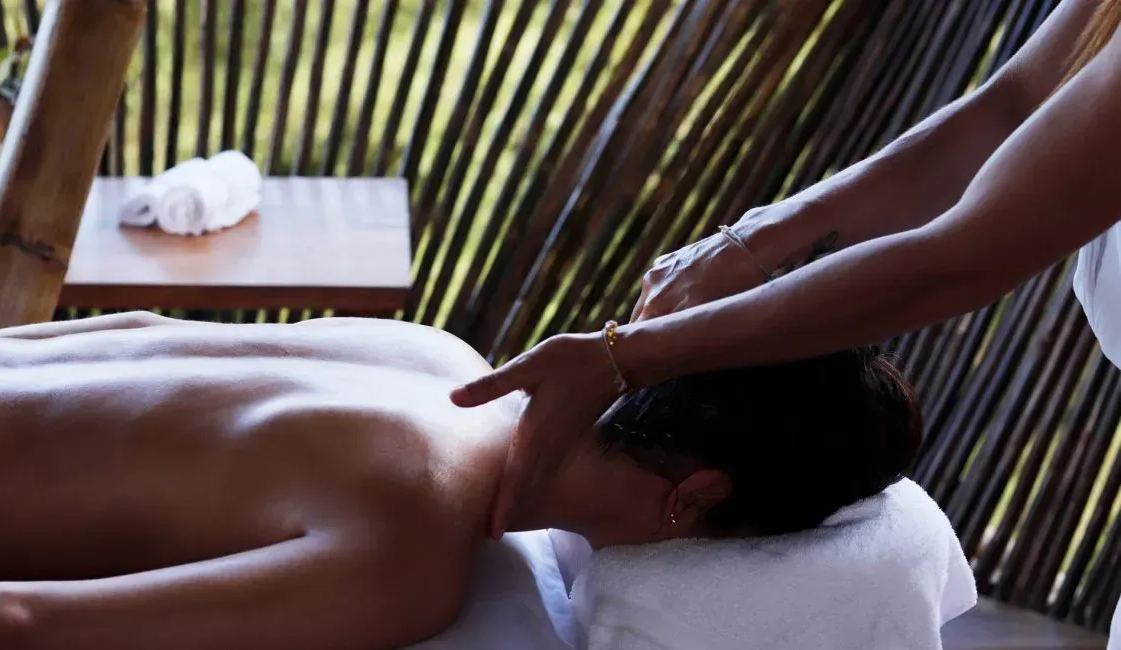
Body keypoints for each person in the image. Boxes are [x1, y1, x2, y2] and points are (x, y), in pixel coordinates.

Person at [450, 0, 1121, 629]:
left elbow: (965, 254)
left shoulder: (442, 389)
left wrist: (628, 354)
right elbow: (1014, 105)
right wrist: (746, 243)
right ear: (698, 497)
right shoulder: (425, 520)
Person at [0, 311, 917, 650]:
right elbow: (4, 625)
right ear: (698, 497)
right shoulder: (412, 546)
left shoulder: (431, 353)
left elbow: (129, 330)